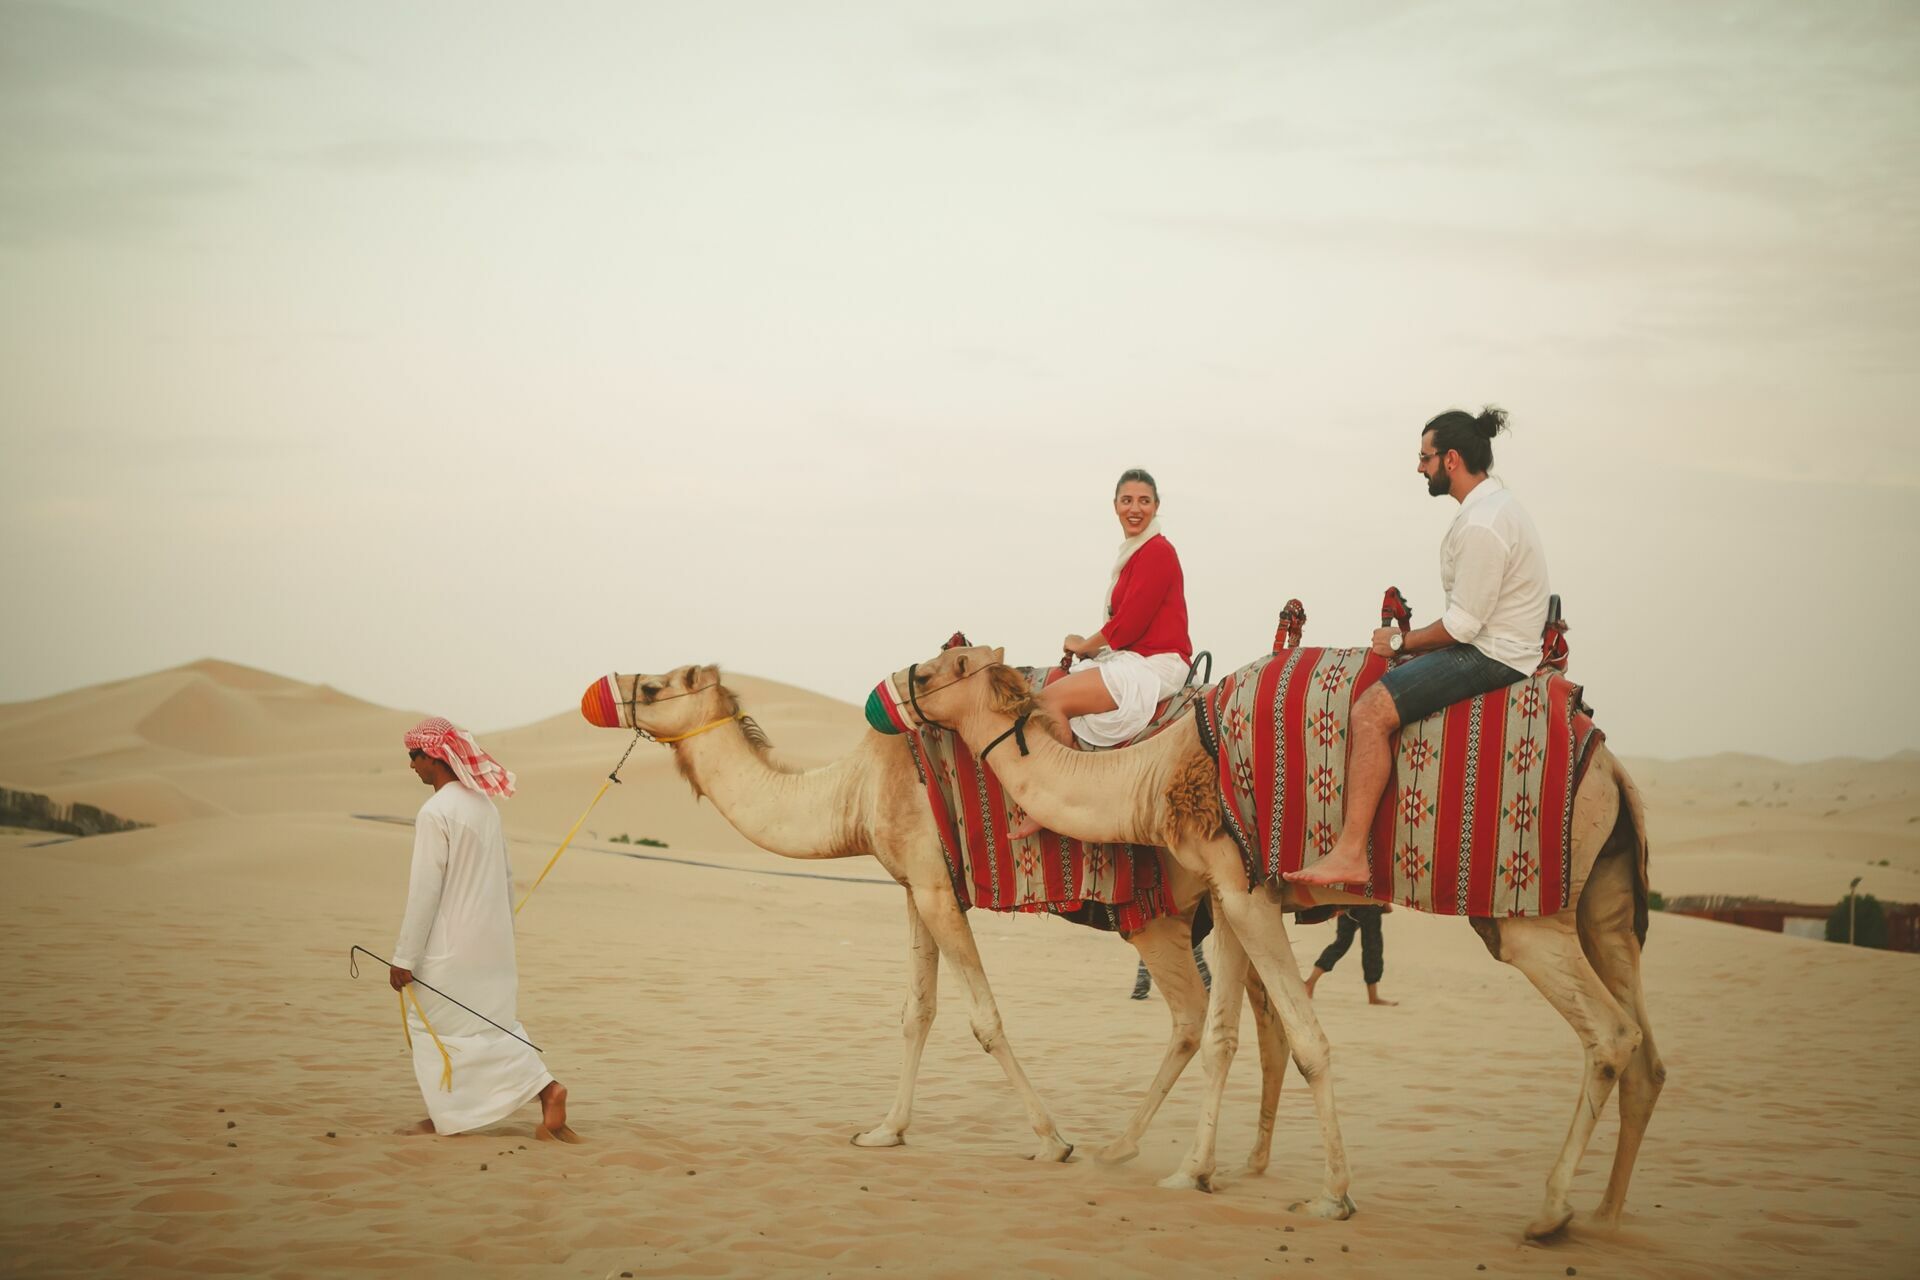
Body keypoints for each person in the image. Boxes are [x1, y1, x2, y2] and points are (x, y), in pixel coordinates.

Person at [1287, 406, 1549, 887]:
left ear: (1450, 459)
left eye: (1425, 457)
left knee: (1369, 712)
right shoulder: (1493, 509)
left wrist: (1399, 641)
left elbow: (1464, 628)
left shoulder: (1482, 524)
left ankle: (1349, 853)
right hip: (1497, 642)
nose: (1419, 467)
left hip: (1493, 655)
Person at [390, 716, 579, 1142]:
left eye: (414, 757)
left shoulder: (436, 811)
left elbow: (425, 891)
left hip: (451, 944)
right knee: (488, 1024)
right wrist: (501, 930)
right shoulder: (483, 806)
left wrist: (403, 958)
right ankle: (536, 1095)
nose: (412, 766)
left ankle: (536, 1091)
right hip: (492, 942)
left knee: (434, 1026)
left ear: (434, 757)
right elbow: (506, 876)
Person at [1010, 468, 1194, 839]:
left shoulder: (1157, 552)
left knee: (1048, 702)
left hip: (1156, 662)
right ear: (1115, 506)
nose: (1135, 508)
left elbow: (1128, 625)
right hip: (1137, 655)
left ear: (1156, 506)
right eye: (1127, 500)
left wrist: (1083, 645)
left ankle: (1053, 804)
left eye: (1144, 501)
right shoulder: (1137, 552)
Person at [1304, 905, 1395, 1005]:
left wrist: (1339, 904)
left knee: (1341, 944)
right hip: (1369, 904)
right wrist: (1385, 903)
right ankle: (1373, 997)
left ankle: (1310, 983)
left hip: (1347, 902)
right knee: (1372, 946)